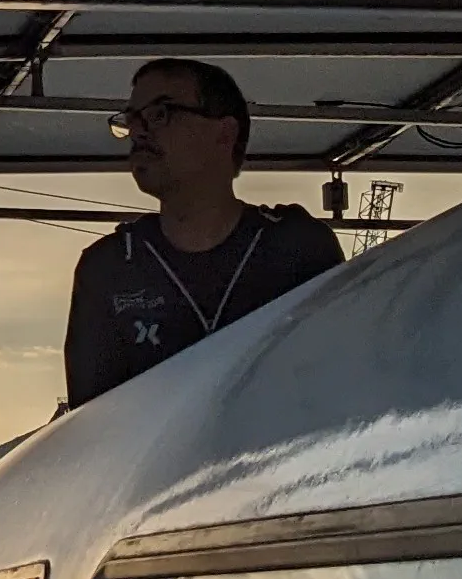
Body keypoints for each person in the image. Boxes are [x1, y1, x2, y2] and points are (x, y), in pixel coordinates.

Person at [62, 57, 344, 408]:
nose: (137, 132)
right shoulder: (108, 268)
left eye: (160, 113)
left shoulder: (298, 248)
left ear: (224, 133)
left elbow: (339, 384)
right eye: (131, 120)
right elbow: (93, 422)